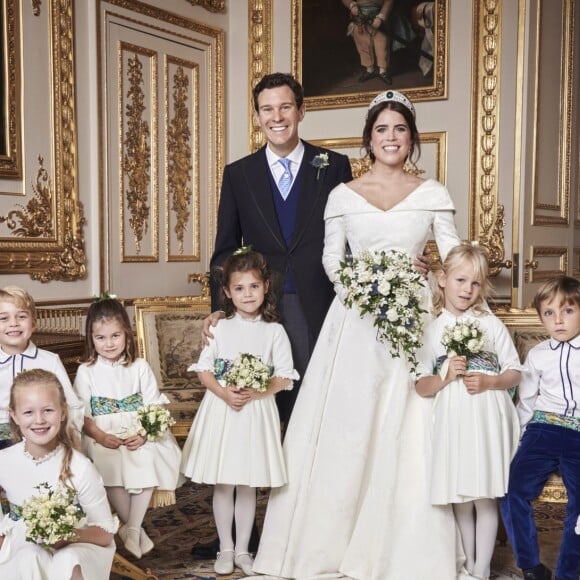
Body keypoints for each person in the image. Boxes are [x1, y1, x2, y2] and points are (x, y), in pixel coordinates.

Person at [249, 89, 462, 580]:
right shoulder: (343, 194)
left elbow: (452, 261)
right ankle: (330, 541)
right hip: (356, 322)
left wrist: (425, 276)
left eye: (400, 129)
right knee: (346, 428)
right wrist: (363, 284)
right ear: (368, 139)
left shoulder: (433, 194)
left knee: (408, 423)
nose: (391, 138)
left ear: (412, 138)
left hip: (411, 320)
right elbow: (330, 258)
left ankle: (403, 543)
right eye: (382, 129)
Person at [206, 72, 352, 427]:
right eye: (267, 109)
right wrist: (220, 309)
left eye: (285, 107)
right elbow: (224, 249)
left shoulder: (333, 166)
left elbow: (354, 238)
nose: (277, 117)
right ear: (257, 116)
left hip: (318, 301)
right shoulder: (239, 174)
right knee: (264, 397)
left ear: (301, 111)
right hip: (257, 306)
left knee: (314, 395)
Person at [181, 249, 298, 576]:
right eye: (240, 288)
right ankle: (226, 547)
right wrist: (224, 392)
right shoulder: (219, 328)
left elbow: (284, 376)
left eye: (254, 287)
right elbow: (205, 370)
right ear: (228, 293)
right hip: (223, 412)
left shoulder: (274, 332)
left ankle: (245, 549)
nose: (248, 295)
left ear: (265, 289)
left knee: (247, 483)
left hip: (255, 414)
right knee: (224, 483)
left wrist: (257, 391)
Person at [415, 243, 523, 580]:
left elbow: (515, 371)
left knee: (484, 495)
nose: (468, 290)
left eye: (475, 283)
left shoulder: (489, 324)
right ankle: (469, 563)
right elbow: (420, 385)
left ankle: (482, 568)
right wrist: (446, 375)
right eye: (461, 281)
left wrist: (490, 383)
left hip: (486, 416)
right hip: (452, 420)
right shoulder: (431, 330)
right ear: (443, 279)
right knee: (460, 496)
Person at [74, 296, 182, 560]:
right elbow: (82, 415)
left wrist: (144, 434)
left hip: (137, 430)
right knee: (107, 464)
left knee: (146, 458)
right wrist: (100, 435)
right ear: (91, 338)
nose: (109, 344)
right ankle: (134, 531)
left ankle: (131, 530)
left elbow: (155, 405)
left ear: (127, 335)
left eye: (115, 336)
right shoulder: (86, 371)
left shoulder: (139, 367)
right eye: (101, 338)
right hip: (103, 434)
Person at [0, 368, 118, 579]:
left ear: (63, 412)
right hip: (23, 544)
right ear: (14, 416)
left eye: (48, 410)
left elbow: (105, 533)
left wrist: (68, 536)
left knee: (67, 559)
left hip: (77, 543)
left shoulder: (80, 467)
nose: (39, 420)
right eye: (28, 412)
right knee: (29, 555)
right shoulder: (4, 461)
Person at [500, 276, 580, 580]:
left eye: (567, 311)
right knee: (511, 489)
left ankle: (567, 573)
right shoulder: (537, 355)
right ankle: (531, 566)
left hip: (578, 435)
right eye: (549, 313)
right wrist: (518, 441)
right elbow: (526, 402)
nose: (557, 320)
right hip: (542, 429)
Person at [0, 285, 84, 449]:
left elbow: (73, 406)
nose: (14, 324)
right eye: (4, 318)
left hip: (42, 436)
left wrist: (69, 440)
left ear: (33, 324)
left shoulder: (50, 360)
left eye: (21, 316)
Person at [343, 0, 393, 85]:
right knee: (363, 46)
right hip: (360, 20)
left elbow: (389, 2)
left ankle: (383, 71)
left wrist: (380, 17)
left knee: (382, 46)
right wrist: (352, 5)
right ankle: (369, 70)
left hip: (378, 19)